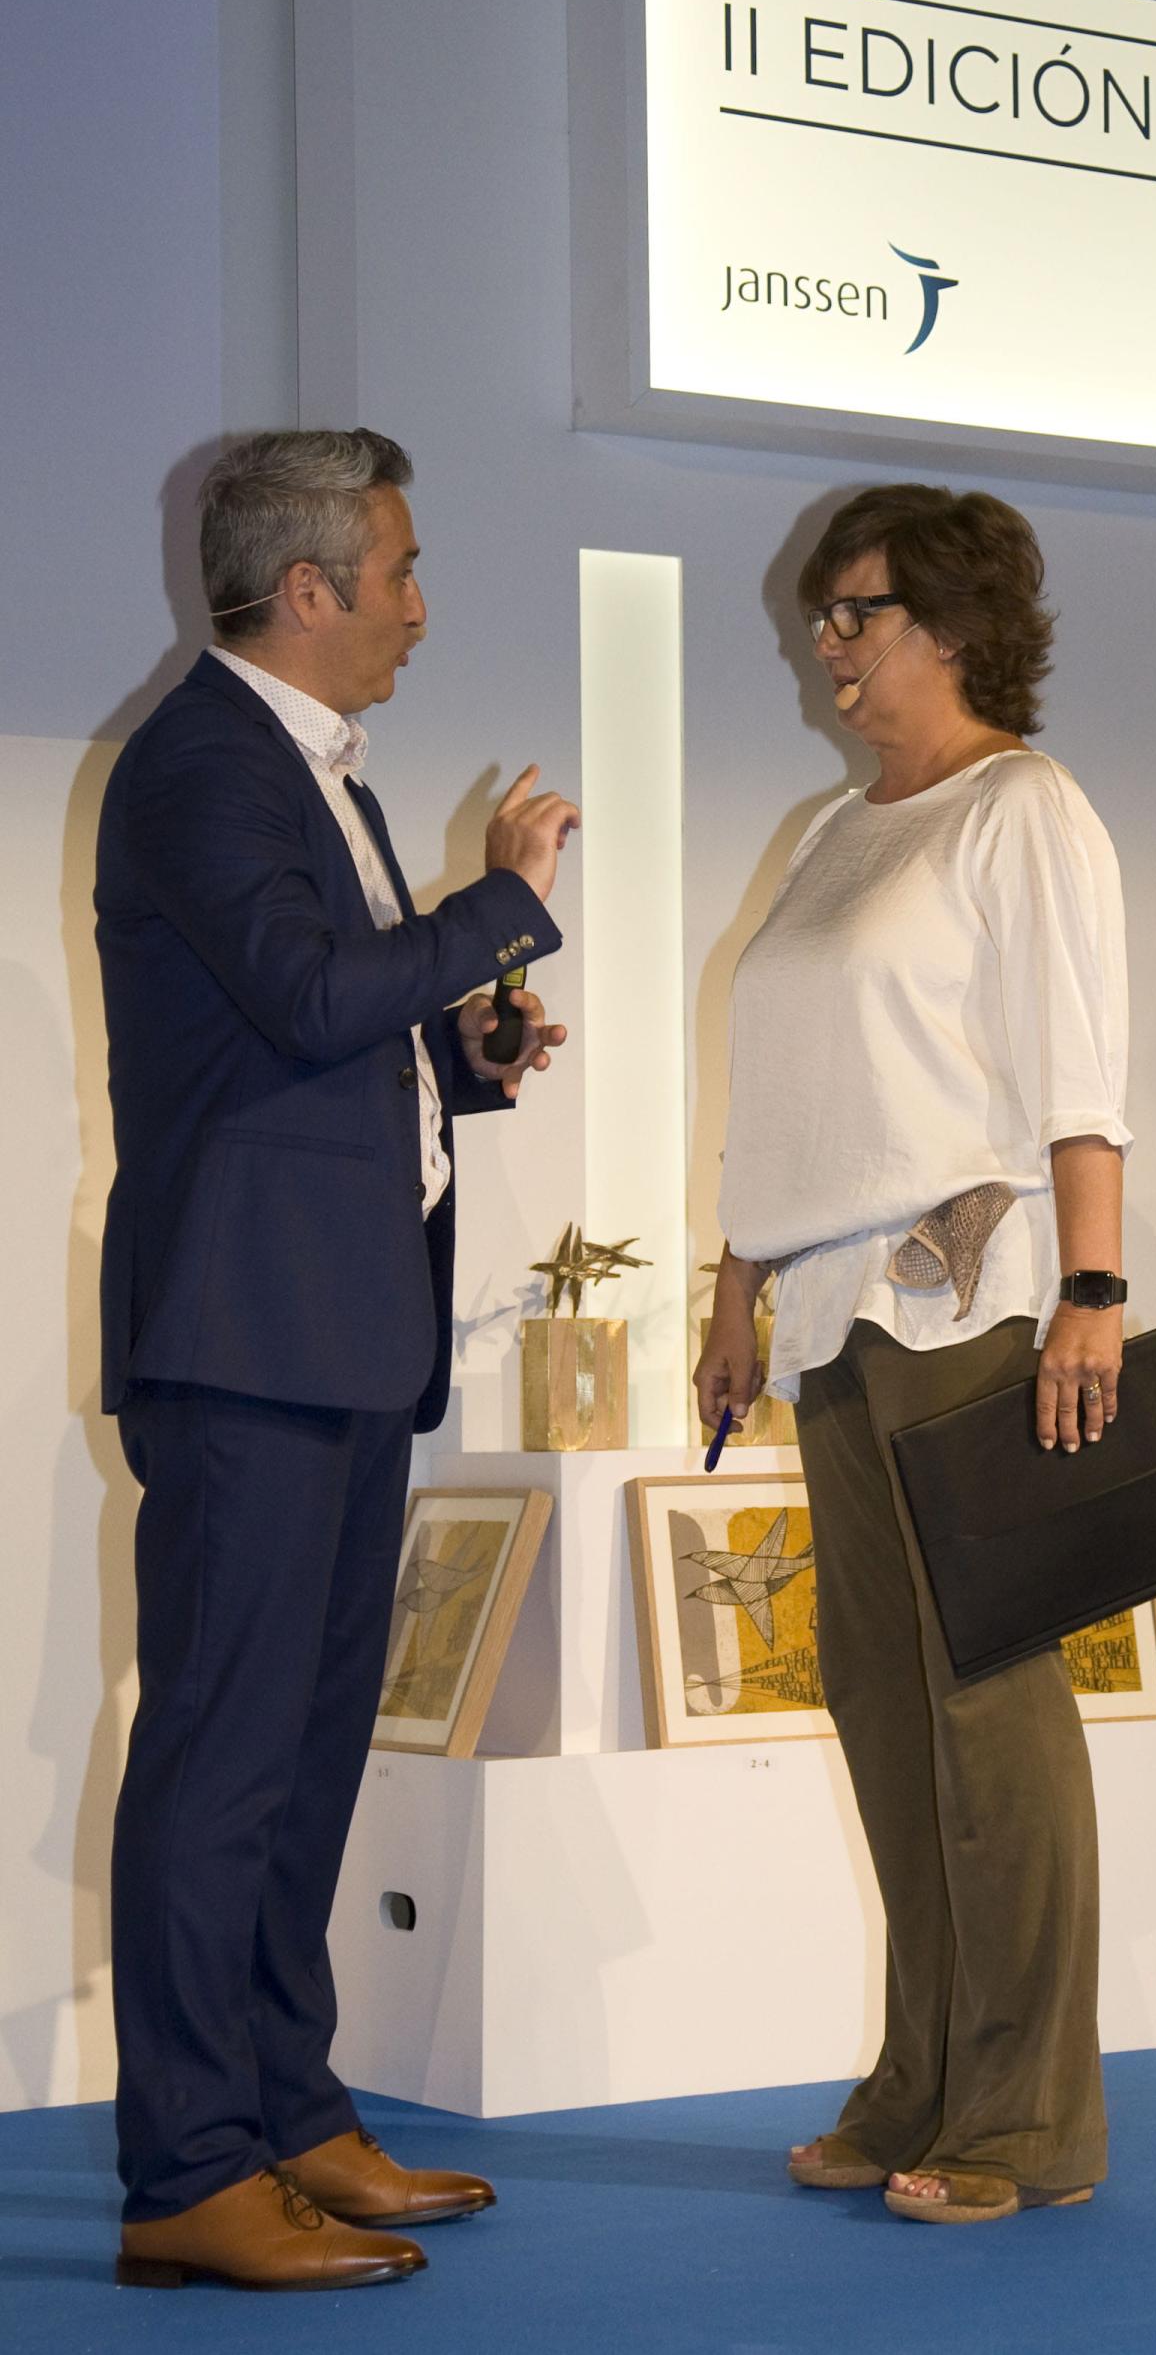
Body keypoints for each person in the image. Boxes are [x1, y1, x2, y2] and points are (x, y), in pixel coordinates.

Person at [95, 429, 580, 2291]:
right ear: (307, 590)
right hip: (249, 1340)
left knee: (301, 1760)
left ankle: (289, 2116)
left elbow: (304, 1036)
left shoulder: (309, 769)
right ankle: (186, 2173)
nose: (420, 606)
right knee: (222, 1763)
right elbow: (305, 997)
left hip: (339, 1330)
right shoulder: (203, 763)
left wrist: (462, 1057)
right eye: (401, 570)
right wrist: (501, 900)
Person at [696, 483, 1130, 2228]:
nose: (830, 641)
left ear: (953, 626)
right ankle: (922, 2080)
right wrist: (734, 1290)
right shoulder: (832, 830)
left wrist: (1092, 1289)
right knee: (885, 1709)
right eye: (824, 613)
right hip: (826, 1316)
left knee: (987, 1707)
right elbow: (786, 1092)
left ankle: (1030, 2118)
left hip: (966, 1312)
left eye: (856, 611)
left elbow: (1080, 1076)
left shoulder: (1024, 809)